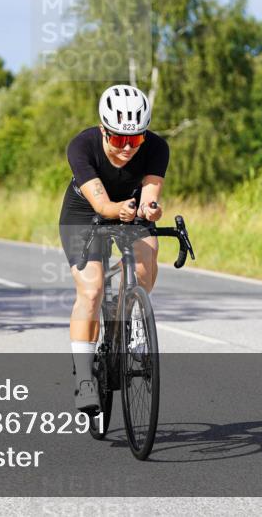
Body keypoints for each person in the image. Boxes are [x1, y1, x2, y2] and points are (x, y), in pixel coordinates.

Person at [58, 84, 168, 412]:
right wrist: (119, 210)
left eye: (135, 139)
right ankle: (85, 379)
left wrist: (151, 209)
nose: (127, 148)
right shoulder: (82, 146)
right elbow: (103, 205)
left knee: (147, 256)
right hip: (84, 212)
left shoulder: (157, 147)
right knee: (91, 291)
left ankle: (132, 321)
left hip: (129, 208)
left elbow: (150, 195)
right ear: (103, 130)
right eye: (119, 139)